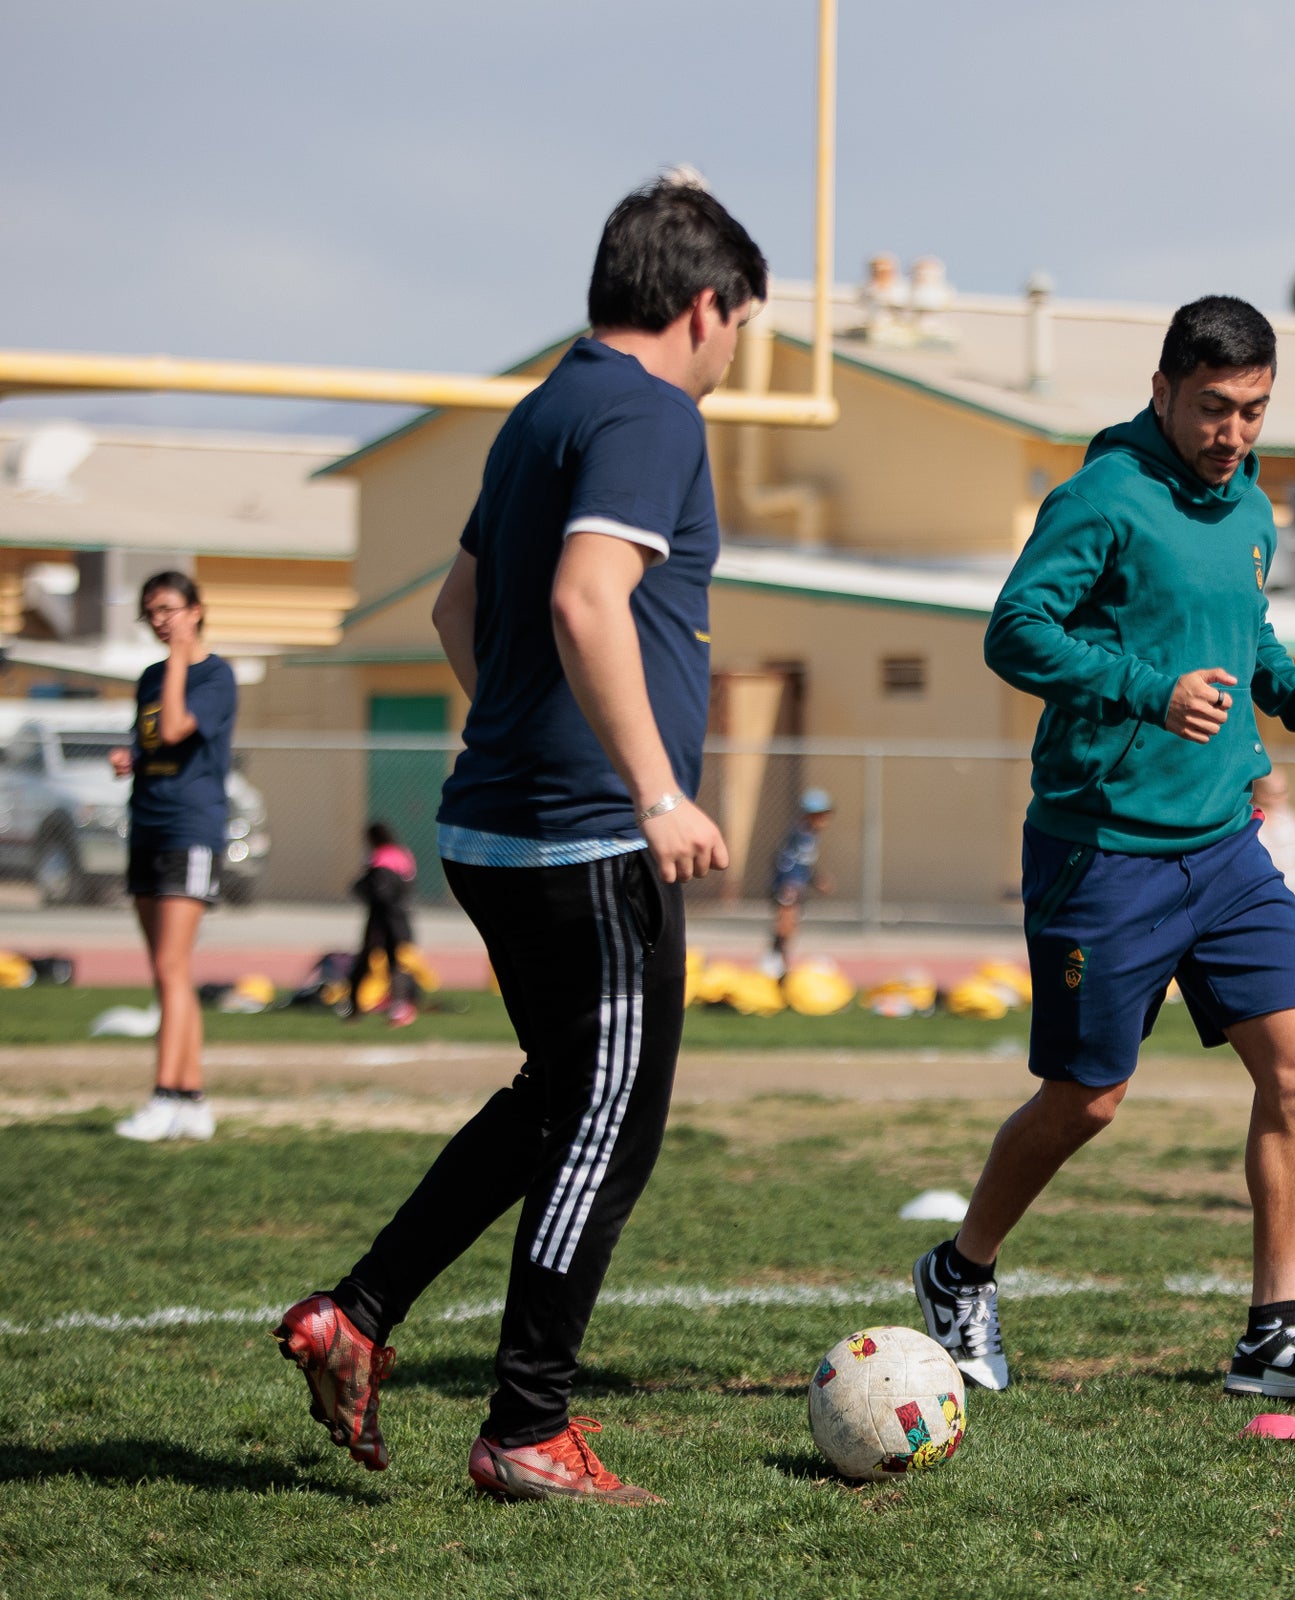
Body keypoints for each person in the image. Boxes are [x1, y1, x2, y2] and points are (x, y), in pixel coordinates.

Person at [273, 173, 763, 1501]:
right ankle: (528, 1428)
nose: (735, 358)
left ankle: (360, 1313)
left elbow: (454, 610)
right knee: (612, 1118)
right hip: (588, 841)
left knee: (556, 1096)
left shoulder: (543, 407)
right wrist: (653, 790)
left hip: (490, 825)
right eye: (743, 328)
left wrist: (529, 734)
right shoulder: (652, 412)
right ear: (709, 308)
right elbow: (585, 598)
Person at [913, 295, 1295, 1404]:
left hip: (1225, 842)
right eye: (1215, 409)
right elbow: (1015, 630)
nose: (1234, 435)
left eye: (1256, 412)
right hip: (1104, 847)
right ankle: (959, 1268)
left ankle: (1274, 1333)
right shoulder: (1103, 496)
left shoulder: (1250, 507)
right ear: (1165, 387)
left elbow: (1247, 633)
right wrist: (1143, 688)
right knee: (1087, 1099)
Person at [109, 572, 235, 1144]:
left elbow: (181, 725)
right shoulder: (150, 678)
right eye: (150, 611)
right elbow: (155, 740)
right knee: (169, 975)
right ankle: (190, 1100)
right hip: (148, 827)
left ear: (195, 610)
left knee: (170, 967)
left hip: (190, 830)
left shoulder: (213, 674)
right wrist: (129, 756)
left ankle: (164, 1096)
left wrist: (183, 654)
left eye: (168, 608)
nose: (159, 620)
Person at [348, 821, 419, 1027]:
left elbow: (376, 890)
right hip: (400, 918)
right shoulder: (403, 855)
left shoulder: (380, 857)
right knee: (396, 964)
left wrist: (363, 890)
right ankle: (400, 1007)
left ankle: (354, 1007)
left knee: (365, 961)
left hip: (381, 919)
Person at [767, 788, 834, 975]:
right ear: (810, 816)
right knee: (785, 924)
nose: (825, 820)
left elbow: (804, 864)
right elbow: (787, 861)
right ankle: (776, 962)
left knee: (792, 925)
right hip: (788, 887)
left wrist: (815, 879)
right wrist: (789, 884)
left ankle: (780, 962)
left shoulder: (810, 835)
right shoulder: (801, 836)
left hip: (795, 885)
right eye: (821, 815)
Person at [1251, 770, 1295, 910]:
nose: (1282, 798)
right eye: (1275, 794)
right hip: (1262, 896)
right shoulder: (1249, 820)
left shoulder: (1292, 818)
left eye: (1284, 792)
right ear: (1260, 793)